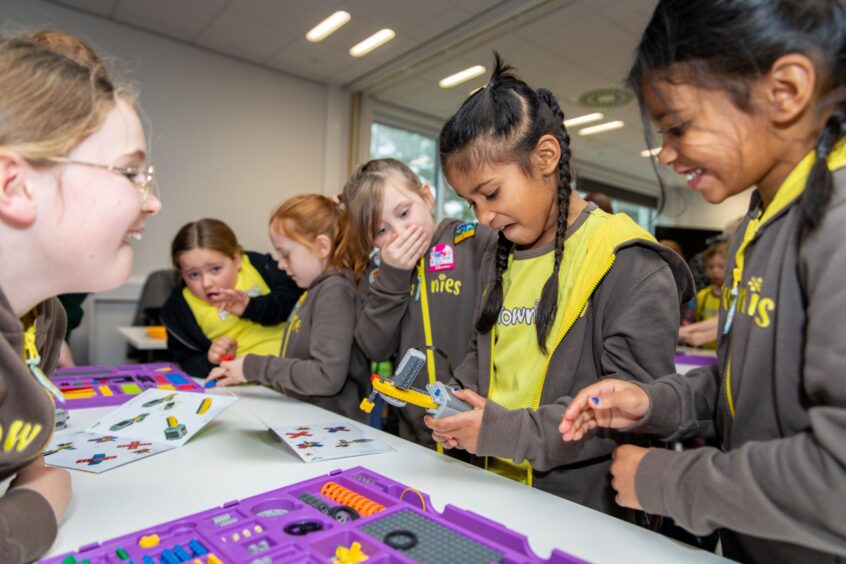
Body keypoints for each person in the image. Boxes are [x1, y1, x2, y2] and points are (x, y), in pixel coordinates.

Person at [560, 1, 846, 560]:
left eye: (678, 126)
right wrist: (654, 403)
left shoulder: (836, 226)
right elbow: (745, 388)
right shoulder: (758, 226)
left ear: (785, 91)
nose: (665, 154)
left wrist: (673, 481)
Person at [425, 55, 692, 518]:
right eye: (471, 202)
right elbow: (487, 351)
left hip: (579, 510)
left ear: (546, 157)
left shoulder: (628, 261)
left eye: (490, 193)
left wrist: (499, 431)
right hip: (491, 488)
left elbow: (630, 412)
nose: (483, 217)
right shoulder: (499, 251)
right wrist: (457, 395)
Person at [0, 30, 161, 561]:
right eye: (130, 173)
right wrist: (33, 508)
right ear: (15, 187)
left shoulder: (41, 317)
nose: (153, 201)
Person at [342, 158, 497, 448]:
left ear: (426, 196)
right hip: (414, 433)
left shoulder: (476, 243)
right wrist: (393, 277)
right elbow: (374, 347)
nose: (399, 234)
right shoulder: (379, 274)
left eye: (403, 213)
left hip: (477, 430)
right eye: (381, 231)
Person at [206, 195, 370, 422]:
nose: (281, 265)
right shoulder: (316, 290)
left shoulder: (335, 291)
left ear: (322, 246)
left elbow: (325, 376)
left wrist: (253, 367)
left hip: (332, 427)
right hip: (312, 419)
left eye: (285, 254)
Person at [160, 218, 301, 377]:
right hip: (238, 387)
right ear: (182, 274)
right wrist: (210, 359)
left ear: (237, 259)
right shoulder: (177, 309)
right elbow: (185, 362)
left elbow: (294, 299)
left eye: (215, 269)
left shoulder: (259, 266)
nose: (206, 283)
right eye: (193, 275)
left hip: (293, 372)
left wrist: (250, 307)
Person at [684, 241, 727, 349]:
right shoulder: (701, 296)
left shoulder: (732, 296)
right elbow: (690, 320)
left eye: (721, 266)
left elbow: (723, 322)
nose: (715, 271)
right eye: (711, 267)